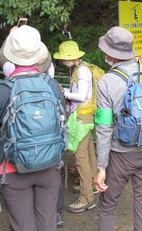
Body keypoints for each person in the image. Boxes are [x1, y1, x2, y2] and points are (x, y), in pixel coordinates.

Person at [0, 25, 65, 231]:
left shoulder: (1, 90)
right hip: (49, 165)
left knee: (22, 225)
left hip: (13, 168)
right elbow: (62, 121)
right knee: (47, 221)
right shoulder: (52, 85)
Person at [94, 26, 142, 231]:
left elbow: (103, 127)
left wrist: (101, 167)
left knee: (108, 205)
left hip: (120, 155)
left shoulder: (106, 82)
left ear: (111, 54)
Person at [53, 41, 98, 213]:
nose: (63, 61)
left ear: (70, 58)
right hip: (86, 115)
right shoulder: (83, 68)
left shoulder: (83, 71)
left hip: (82, 117)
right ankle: (92, 184)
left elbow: (80, 95)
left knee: (81, 157)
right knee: (88, 153)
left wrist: (65, 92)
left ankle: (86, 198)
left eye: (64, 58)